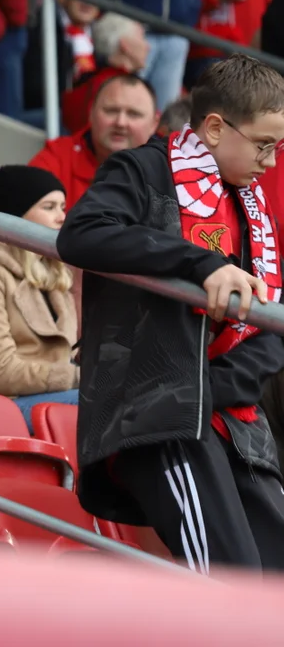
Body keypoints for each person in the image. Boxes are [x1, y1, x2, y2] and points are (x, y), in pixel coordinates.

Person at [56, 54, 284, 573]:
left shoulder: (251, 204)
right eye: (264, 145)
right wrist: (201, 263)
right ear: (214, 127)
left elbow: (271, 316)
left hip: (232, 417)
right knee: (232, 580)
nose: (271, 163)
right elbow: (82, 233)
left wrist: (219, 387)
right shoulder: (144, 169)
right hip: (159, 413)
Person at [0, 166, 78, 430]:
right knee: (99, 402)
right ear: (17, 215)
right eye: (49, 207)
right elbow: (0, 371)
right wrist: (77, 377)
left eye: (62, 207)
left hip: (43, 399)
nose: (61, 217)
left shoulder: (54, 276)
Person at [31, 73, 159, 207]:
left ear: (154, 124)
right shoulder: (58, 158)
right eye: (111, 111)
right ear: (91, 112)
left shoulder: (172, 173)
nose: (121, 122)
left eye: (134, 114)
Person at [61, 12, 151, 134]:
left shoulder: (89, 83)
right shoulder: (121, 89)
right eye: (142, 37)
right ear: (125, 45)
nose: (148, 46)